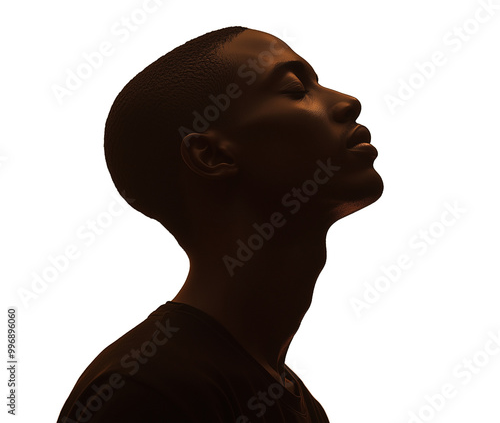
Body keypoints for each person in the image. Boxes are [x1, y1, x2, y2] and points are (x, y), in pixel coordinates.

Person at [57, 26, 383, 422]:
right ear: (211, 155)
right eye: (296, 89)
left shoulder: (296, 401)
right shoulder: (145, 391)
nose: (349, 102)